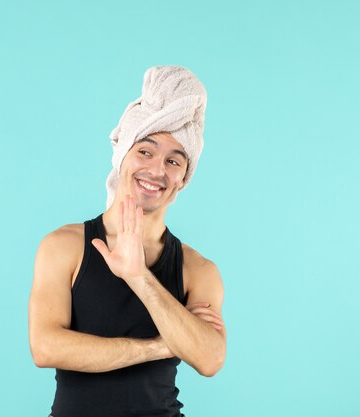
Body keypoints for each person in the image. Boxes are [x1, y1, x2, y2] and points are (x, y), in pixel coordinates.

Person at [28, 66, 226, 417]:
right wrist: (158, 347)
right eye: (145, 152)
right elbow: (45, 347)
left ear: (183, 178)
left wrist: (138, 276)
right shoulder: (65, 246)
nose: (157, 170)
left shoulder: (198, 269)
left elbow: (210, 359)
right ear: (122, 157)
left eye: (174, 161)